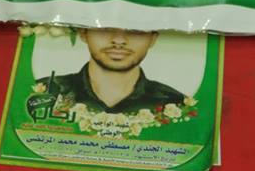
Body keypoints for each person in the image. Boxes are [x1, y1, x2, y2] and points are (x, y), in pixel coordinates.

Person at [33, 28, 185, 115]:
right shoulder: (41, 92)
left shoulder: (177, 104)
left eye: (136, 29)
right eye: (105, 27)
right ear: (83, 33)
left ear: (153, 39)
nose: (119, 40)